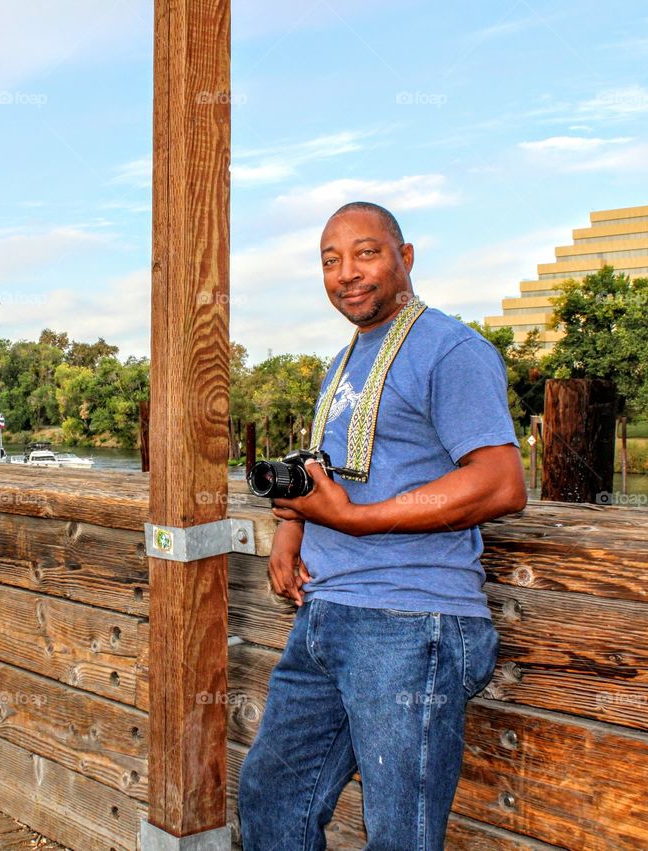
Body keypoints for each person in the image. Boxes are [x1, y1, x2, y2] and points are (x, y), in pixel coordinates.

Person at [238, 202, 527, 850]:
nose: (346, 272)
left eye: (365, 252)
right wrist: (292, 523)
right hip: (326, 613)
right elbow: (331, 469)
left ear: (407, 257)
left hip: (410, 621)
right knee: (271, 799)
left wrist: (357, 520)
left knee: (400, 834)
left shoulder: (450, 348)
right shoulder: (340, 364)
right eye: (329, 259)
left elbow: (501, 481)